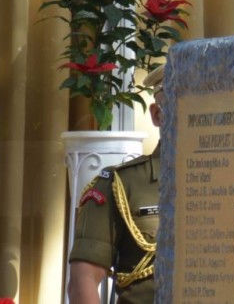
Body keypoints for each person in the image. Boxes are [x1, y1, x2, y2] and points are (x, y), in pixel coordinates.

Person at [67, 65, 165, 304]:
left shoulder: (233, 182)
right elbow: (83, 280)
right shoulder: (120, 184)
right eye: (181, 107)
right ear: (156, 115)